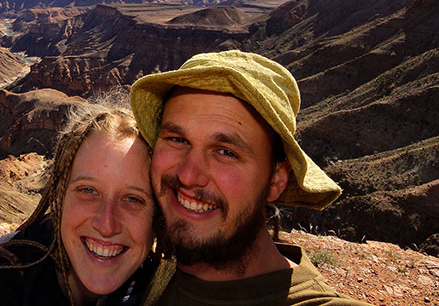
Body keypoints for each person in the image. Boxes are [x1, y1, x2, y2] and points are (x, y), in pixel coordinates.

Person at [129, 50, 371, 305]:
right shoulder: (136, 274)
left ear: (275, 181)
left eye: (226, 152)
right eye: (177, 140)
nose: (188, 175)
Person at [0, 101, 158, 305]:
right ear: (59, 194)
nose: (106, 224)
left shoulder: (162, 284)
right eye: (88, 190)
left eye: (133, 199)